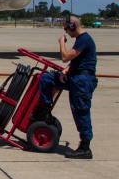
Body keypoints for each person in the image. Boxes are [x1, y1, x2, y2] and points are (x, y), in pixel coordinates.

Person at [38, 15, 98, 159]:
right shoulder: (80, 39)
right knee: (46, 78)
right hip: (75, 77)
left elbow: (65, 56)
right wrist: (67, 70)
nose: (65, 31)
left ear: (72, 27)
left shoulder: (84, 39)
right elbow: (79, 60)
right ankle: (45, 110)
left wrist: (61, 42)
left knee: (81, 112)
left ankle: (85, 148)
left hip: (82, 81)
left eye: (66, 28)